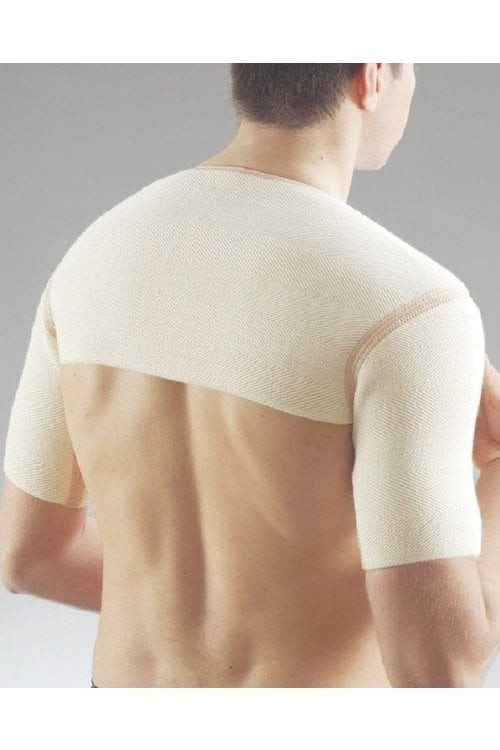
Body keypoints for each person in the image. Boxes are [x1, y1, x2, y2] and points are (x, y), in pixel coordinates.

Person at [1, 63, 500, 688]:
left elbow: (29, 556)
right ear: (373, 73)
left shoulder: (90, 256)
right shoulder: (410, 309)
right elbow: (441, 670)